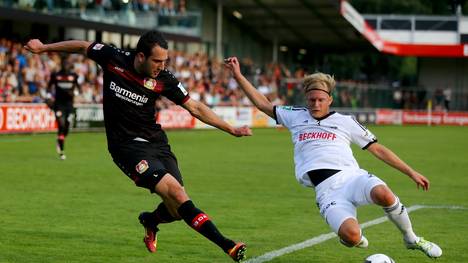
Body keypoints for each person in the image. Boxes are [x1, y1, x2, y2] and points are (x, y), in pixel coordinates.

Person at [24, 31, 251, 262]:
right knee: (177, 195)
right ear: (141, 56)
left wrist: (230, 129)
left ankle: (151, 220)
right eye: (157, 61)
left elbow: (195, 107)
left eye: (165, 61)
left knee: (176, 209)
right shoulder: (114, 58)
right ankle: (228, 245)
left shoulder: (165, 79)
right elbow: (83, 46)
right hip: (126, 147)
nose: (161, 67)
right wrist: (44, 48)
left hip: (157, 143)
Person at [224, 57, 442, 259]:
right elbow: (262, 104)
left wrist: (411, 172)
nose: (315, 104)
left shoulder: (346, 121)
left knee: (384, 194)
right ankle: (351, 237)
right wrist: (238, 75)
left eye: (320, 100)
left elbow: (378, 149)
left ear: (330, 99)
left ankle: (411, 238)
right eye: (311, 100)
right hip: (326, 190)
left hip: (352, 177)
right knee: (352, 237)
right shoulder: (294, 115)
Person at [47, 55, 80, 160]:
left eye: (68, 64)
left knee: (66, 127)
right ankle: (61, 152)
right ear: (62, 64)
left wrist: (74, 92)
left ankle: (60, 139)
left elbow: (78, 88)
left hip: (69, 105)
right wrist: (48, 98)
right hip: (58, 104)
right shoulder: (55, 75)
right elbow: (49, 87)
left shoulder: (74, 76)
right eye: (64, 63)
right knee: (61, 125)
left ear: (70, 65)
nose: (66, 65)